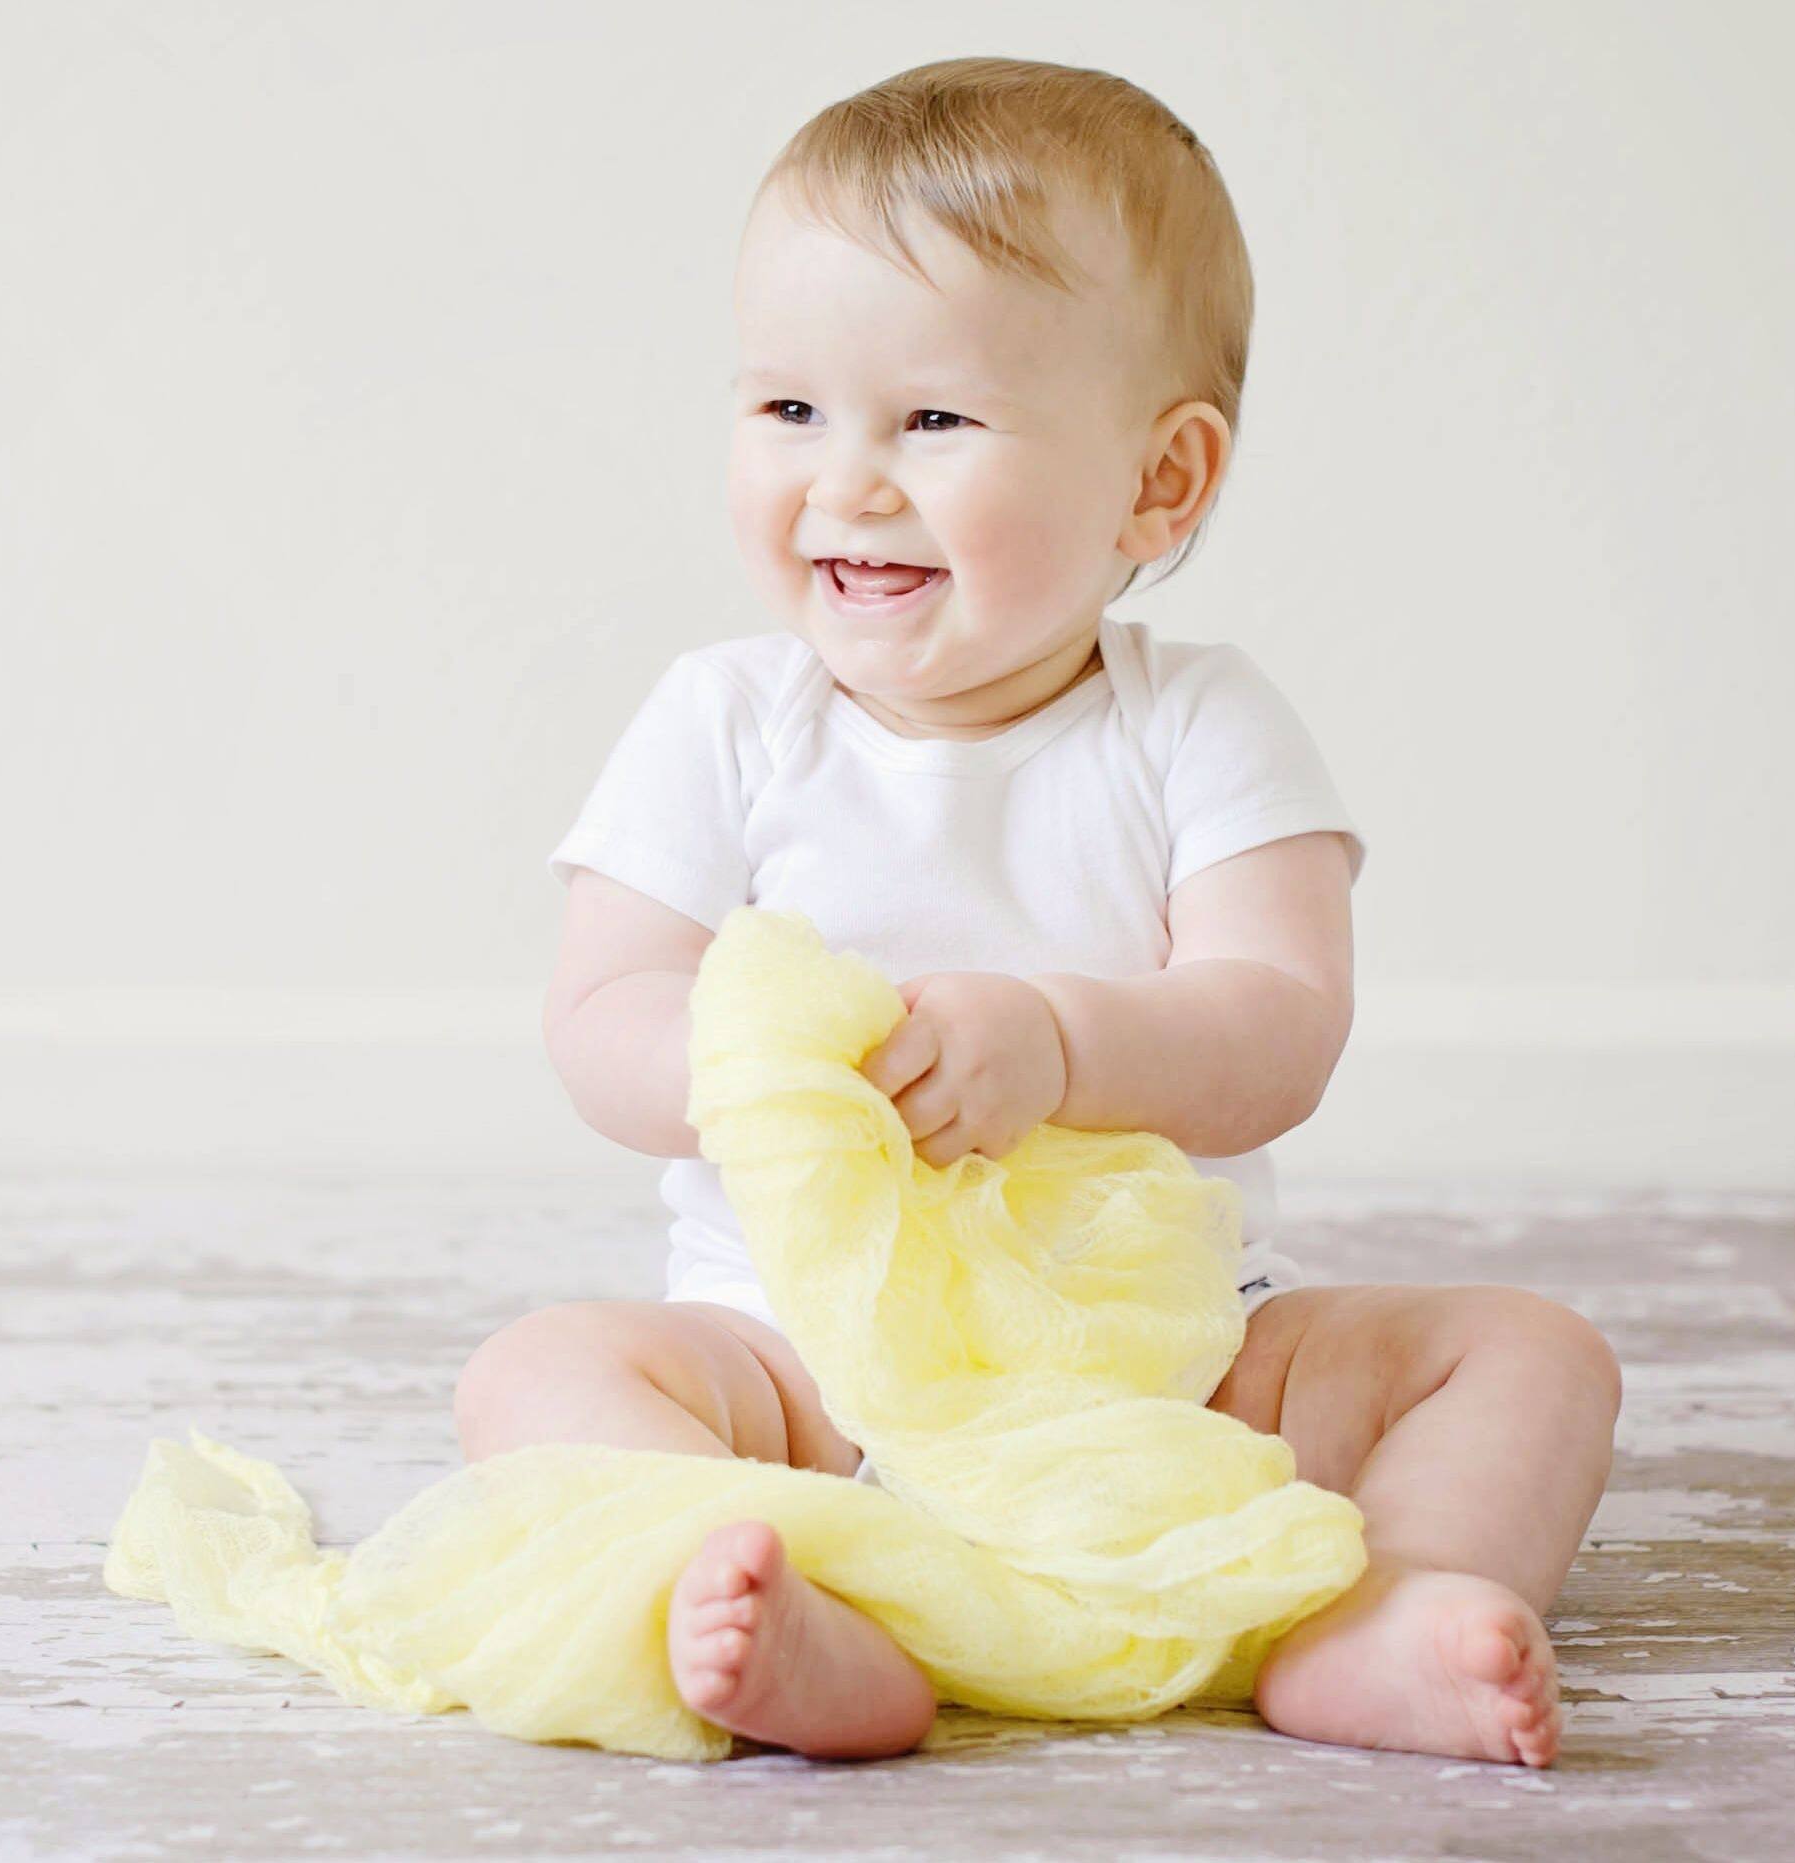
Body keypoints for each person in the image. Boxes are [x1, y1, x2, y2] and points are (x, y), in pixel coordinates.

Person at [461, 56, 1622, 1766]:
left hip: (1167, 1371)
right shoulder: (723, 723)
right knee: (536, 1376)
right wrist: (766, 1074)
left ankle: (1389, 1610)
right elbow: (600, 1014)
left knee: (1533, 1357)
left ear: (1160, 482)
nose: (846, 481)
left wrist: (1062, 1042)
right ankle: (810, 1604)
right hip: (799, 1363)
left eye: (932, 421)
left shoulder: (1197, 725)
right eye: (789, 409)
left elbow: (1279, 1023)